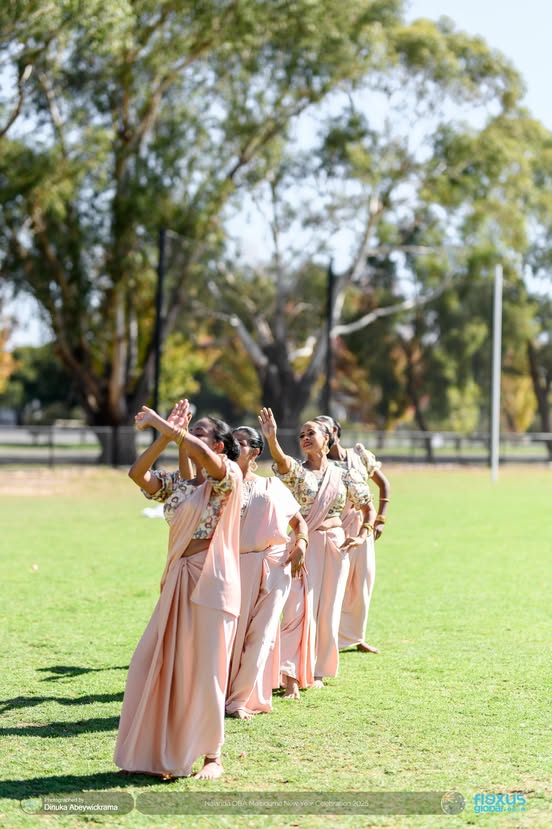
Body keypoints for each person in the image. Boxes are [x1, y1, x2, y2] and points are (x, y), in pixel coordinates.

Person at [114, 399, 242, 780]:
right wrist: (162, 435)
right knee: (151, 664)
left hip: (212, 581)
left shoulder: (227, 475)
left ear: (217, 445)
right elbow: (138, 474)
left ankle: (212, 758)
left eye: (199, 432)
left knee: (207, 670)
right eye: (190, 430)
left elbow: (205, 456)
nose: (190, 437)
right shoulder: (178, 486)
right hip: (176, 580)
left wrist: (166, 425)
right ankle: (152, 755)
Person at [258, 407, 376, 698]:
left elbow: (367, 506)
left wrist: (363, 535)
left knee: (329, 608)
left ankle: (319, 669)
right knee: (298, 608)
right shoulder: (298, 472)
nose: (305, 437)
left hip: (336, 545)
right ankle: (290, 675)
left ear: (328, 438)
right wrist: (272, 439)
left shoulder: (345, 474)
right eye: (301, 435)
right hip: (304, 546)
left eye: (311, 432)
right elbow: (282, 462)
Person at [225, 426, 309, 718]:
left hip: (274, 567)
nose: (234, 446)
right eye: (230, 441)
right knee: (232, 635)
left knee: (261, 635)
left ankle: (240, 701)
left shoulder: (273, 485)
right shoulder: (220, 485)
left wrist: (301, 544)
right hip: (233, 566)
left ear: (255, 451)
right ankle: (220, 693)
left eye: (241, 443)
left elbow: (299, 523)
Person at [315, 415, 391, 654]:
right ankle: (324, 638)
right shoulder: (320, 464)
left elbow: (383, 484)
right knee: (333, 584)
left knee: (362, 581)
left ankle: (357, 637)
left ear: (334, 431)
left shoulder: (359, 456)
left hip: (362, 526)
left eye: (322, 430)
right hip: (334, 528)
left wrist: (380, 520)